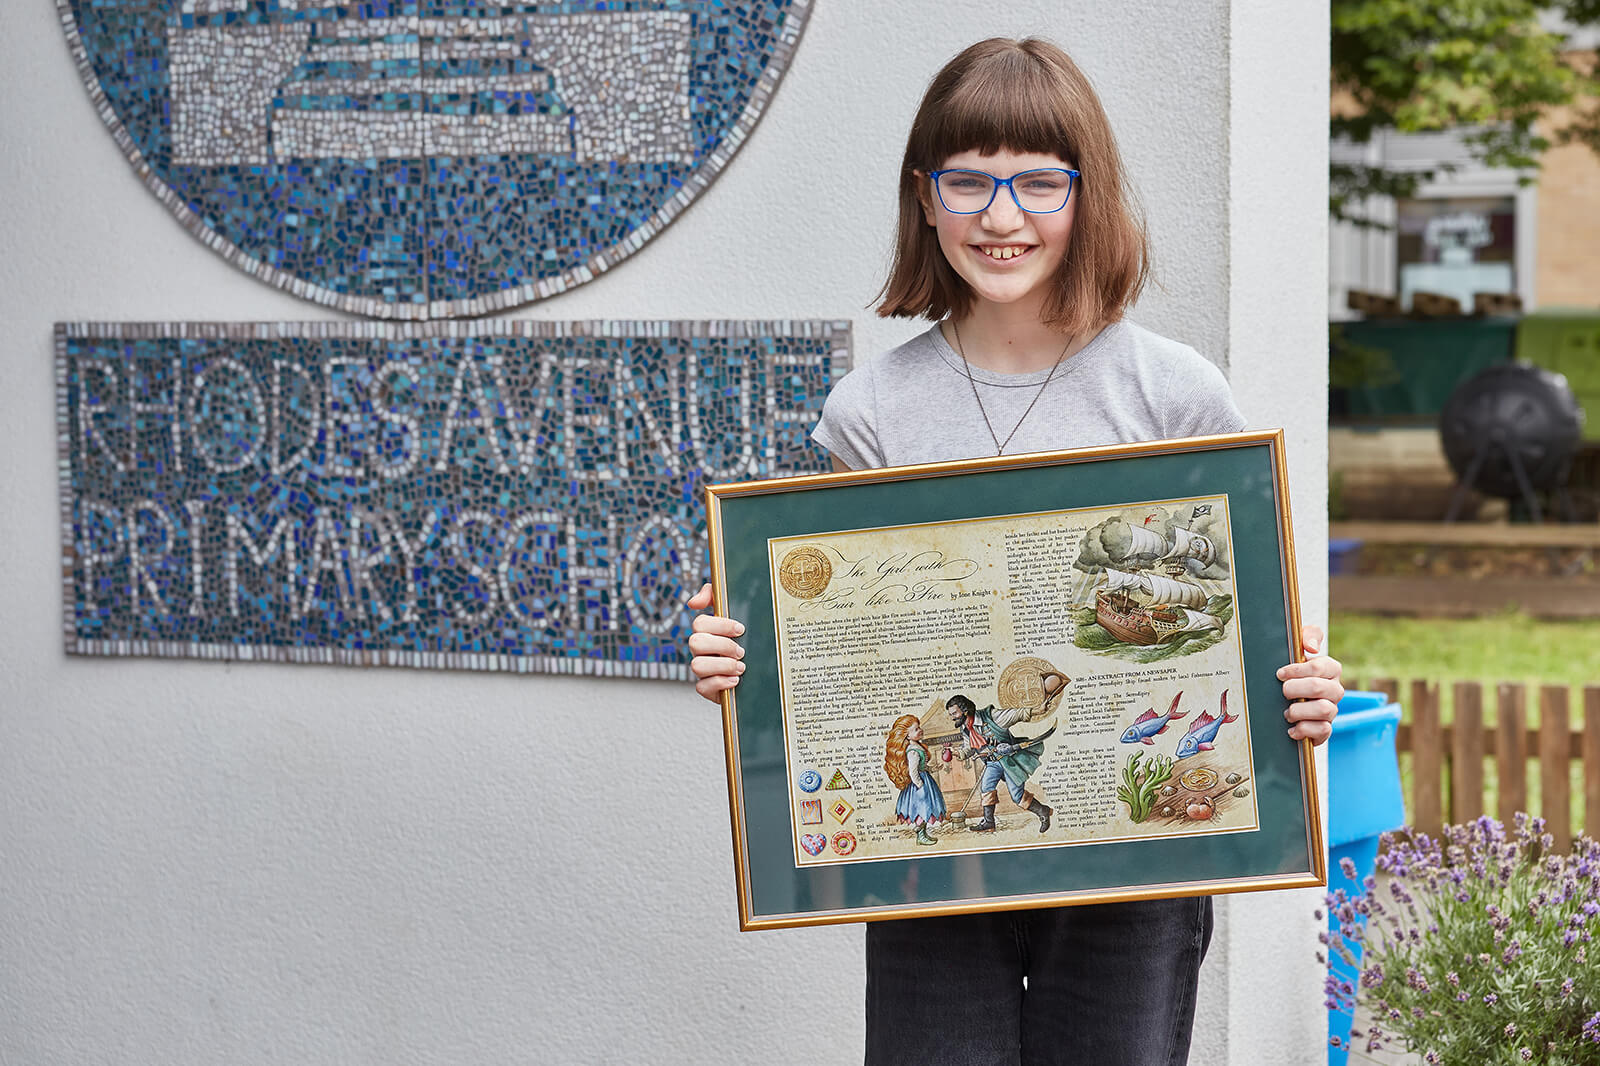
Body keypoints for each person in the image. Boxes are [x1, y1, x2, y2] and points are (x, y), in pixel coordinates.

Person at [686, 36, 1344, 1066]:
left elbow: (1248, 630)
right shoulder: (868, 412)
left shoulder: (1173, 395)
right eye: (968, 181)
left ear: (1089, 196)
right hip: (934, 862)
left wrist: (1300, 687)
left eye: (1039, 181)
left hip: (1135, 872)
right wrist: (746, 660)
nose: (1001, 217)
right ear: (925, 197)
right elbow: (832, 663)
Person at [945, 694, 1054, 833]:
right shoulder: (966, 728)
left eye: (954, 713)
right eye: (951, 714)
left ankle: (1043, 811)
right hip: (992, 763)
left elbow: (1016, 714)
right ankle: (989, 823)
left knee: (1017, 797)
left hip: (1010, 761)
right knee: (986, 788)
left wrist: (1038, 710)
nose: (953, 717)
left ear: (965, 710)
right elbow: (969, 748)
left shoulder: (991, 716)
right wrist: (958, 753)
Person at [882, 714, 947, 845]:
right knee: (921, 809)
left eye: (919, 727)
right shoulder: (912, 751)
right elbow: (913, 771)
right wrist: (920, 785)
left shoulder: (918, 746)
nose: (920, 730)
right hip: (918, 785)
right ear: (907, 735)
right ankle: (921, 836)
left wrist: (932, 768)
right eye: (916, 729)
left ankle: (923, 834)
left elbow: (922, 767)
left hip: (924, 779)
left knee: (925, 809)